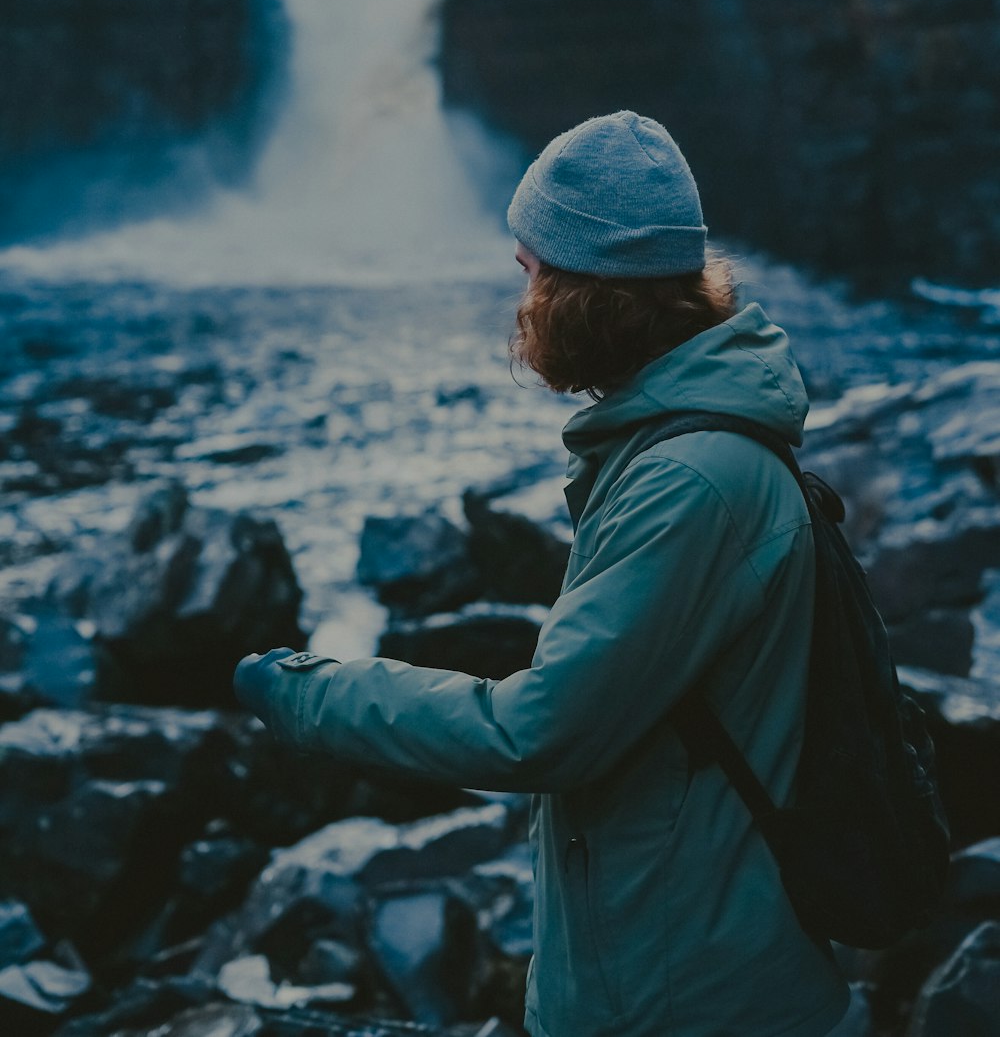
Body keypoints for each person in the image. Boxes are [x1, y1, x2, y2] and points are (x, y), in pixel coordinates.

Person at [234, 110, 853, 1037]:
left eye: (529, 272)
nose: (518, 301)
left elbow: (540, 734)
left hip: (693, 1003)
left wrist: (313, 696)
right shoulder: (671, 453)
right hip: (675, 977)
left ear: (589, 289)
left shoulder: (687, 482)